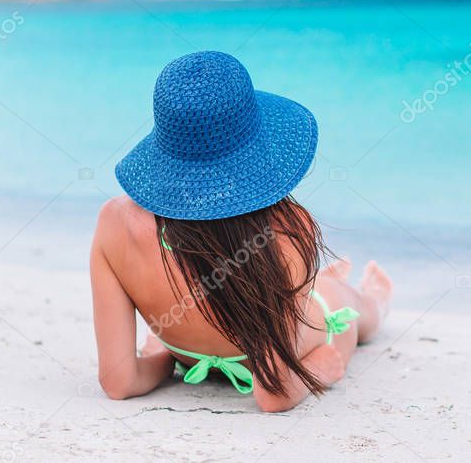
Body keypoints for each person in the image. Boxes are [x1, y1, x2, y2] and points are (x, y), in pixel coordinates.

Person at [90, 50, 392, 412]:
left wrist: (165, 360)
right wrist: (321, 368)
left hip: (189, 355)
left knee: (314, 287)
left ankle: (321, 282)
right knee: (349, 304)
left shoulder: (114, 222)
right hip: (288, 346)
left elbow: (119, 382)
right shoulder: (289, 229)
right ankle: (373, 297)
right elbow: (274, 392)